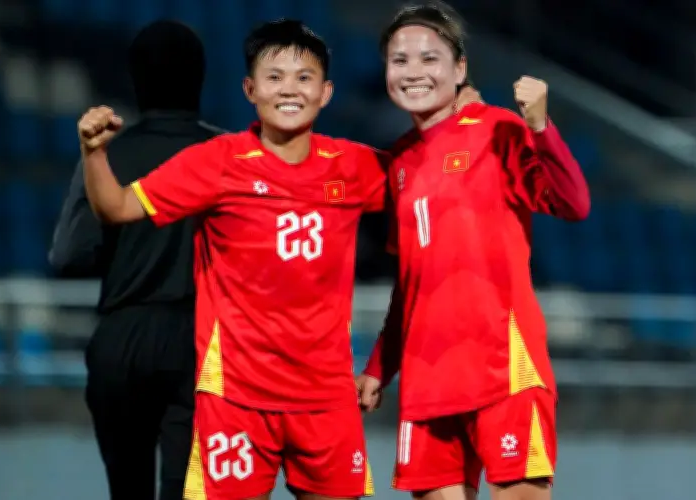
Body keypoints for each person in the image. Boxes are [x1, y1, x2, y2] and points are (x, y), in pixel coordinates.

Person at [77, 19, 391, 500]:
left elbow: (435, 181)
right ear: (250, 89)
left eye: (304, 77)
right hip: (236, 399)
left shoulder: (356, 165)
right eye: (274, 77)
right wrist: (94, 153)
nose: (290, 89)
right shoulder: (216, 161)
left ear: (325, 92)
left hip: (327, 398)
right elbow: (117, 208)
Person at [356, 3, 591, 500]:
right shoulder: (399, 161)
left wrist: (541, 127)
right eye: (399, 60)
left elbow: (573, 203)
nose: (413, 72)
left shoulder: (498, 129)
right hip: (425, 380)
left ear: (460, 67)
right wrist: (380, 365)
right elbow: (412, 278)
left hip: (503, 369)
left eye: (429, 58)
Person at [49, 20, 224, 500]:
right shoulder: (231, 155)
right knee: (189, 491)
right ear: (201, 78)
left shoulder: (104, 157)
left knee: (127, 490)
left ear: (135, 81)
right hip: (203, 340)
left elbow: (67, 255)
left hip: (121, 335)